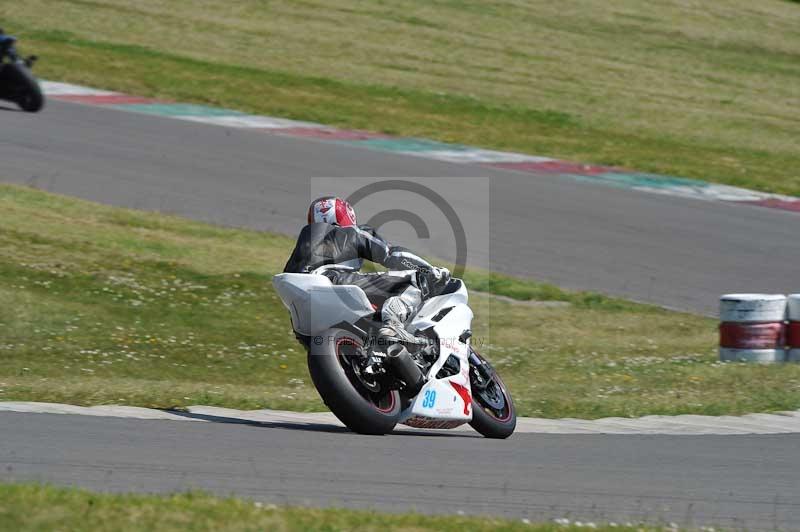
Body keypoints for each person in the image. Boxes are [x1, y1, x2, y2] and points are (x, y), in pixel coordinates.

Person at [284, 196, 450, 345]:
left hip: (304, 320)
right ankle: (392, 324)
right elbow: (392, 255)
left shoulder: (299, 253)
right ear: (346, 216)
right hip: (334, 284)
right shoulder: (352, 232)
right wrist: (428, 269)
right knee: (416, 278)